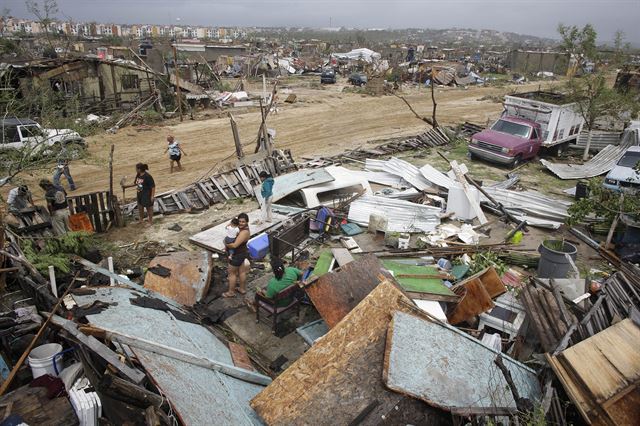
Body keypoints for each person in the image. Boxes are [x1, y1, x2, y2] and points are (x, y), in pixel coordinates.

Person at [223, 212, 251, 298]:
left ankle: (231, 292)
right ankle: (242, 289)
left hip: (237, 255)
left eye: (243, 222)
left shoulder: (244, 232)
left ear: (247, 222)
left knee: (232, 273)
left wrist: (225, 243)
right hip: (242, 253)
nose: (241, 223)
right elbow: (230, 225)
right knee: (242, 271)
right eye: (239, 221)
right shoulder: (240, 228)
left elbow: (234, 245)